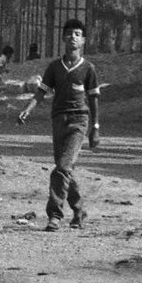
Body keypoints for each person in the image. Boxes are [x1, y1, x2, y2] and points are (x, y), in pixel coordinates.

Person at [15, 19, 100, 231]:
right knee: (65, 169)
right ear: (63, 38)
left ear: (83, 40)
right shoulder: (54, 67)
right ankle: (79, 211)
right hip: (58, 119)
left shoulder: (88, 68)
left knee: (62, 168)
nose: (73, 37)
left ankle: (55, 215)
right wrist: (28, 109)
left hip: (79, 121)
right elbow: (41, 92)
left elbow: (93, 99)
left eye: (77, 34)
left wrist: (95, 128)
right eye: (69, 33)